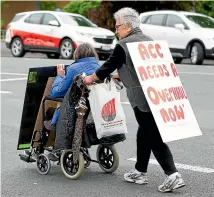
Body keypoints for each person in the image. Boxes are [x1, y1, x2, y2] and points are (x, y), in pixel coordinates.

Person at [83, 7, 185, 193]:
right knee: (144, 132)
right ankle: (140, 171)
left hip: (142, 99)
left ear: (128, 25)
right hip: (159, 95)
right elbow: (142, 69)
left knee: (153, 135)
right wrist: (120, 76)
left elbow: (107, 66)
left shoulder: (124, 45)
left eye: (118, 27)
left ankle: (173, 174)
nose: (116, 31)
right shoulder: (149, 41)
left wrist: (90, 78)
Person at [24, 43, 100, 158]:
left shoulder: (73, 68)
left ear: (77, 54)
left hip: (74, 112)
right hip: (93, 111)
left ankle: (42, 147)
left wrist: (60, 76)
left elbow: (56, 92)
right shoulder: (99, 68)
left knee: (49, 110)